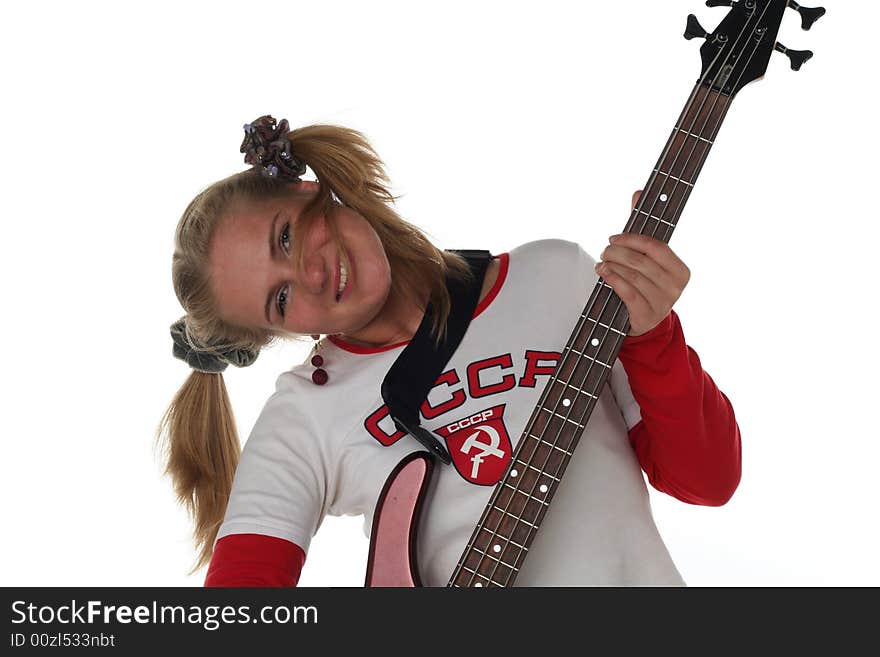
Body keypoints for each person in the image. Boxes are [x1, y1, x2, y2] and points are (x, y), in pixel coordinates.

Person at [157, 116, 741, 587]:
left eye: (285, 235)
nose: (310, 276)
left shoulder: (557, 275)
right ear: (282, 331)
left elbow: (708, 480)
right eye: (279, 300)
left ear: (308, 189)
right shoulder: (304, 416)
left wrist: (652, 333)